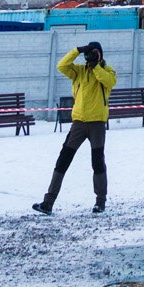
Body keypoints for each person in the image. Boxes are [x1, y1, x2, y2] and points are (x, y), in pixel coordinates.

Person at [33, 42, 115, 215]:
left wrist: (96, 66)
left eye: (94, 53)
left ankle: (100, 202)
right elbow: (61, 65)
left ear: (100, 54)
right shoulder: (78, 71)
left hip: (97, 124)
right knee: (63, 160)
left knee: (97, 162)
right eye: (89, 54)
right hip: (78, 123)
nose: (90, 57)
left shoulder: (108, 71)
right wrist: (77, 50)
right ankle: (48, 202)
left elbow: (108, 82)